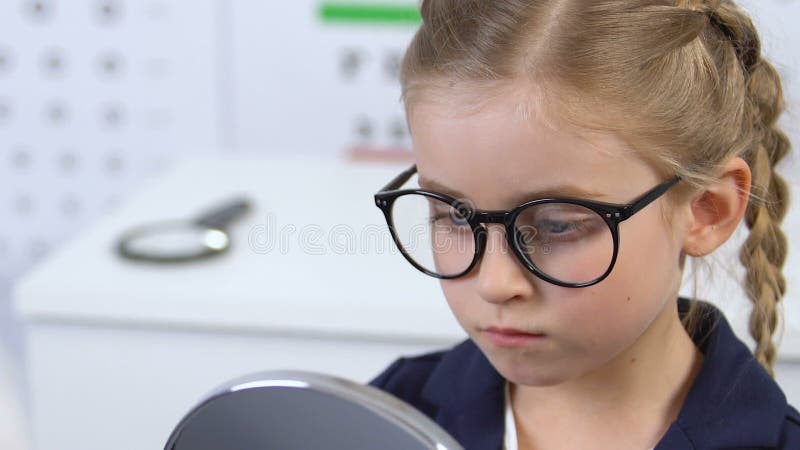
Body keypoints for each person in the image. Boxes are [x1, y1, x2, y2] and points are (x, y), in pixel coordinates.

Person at [368, 1, 799, 449]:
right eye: (455, 214)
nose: (495, 284)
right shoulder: (373, 424)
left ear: (708, 209)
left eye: (556, 226)